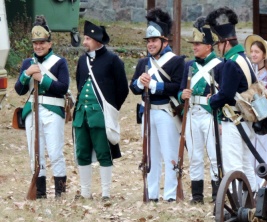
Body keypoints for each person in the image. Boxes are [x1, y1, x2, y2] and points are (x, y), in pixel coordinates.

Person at [130, 8, 185, 202]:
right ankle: (152, 194)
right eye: (149, 41)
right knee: (150, 155)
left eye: (154, 41)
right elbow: (134, 87)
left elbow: (176, 87)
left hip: (166, 111)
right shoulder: (144, 62)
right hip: (147, 111)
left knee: (169, 153)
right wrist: (139, 83)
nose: (151, 44)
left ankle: (170, 195)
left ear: (164, 42)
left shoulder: (177, 61)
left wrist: (153, 85)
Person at [73, 20, 129, 200]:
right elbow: (79, 83)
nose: (84, 42)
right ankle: (85, 192)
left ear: (97, 40)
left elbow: (122, 89)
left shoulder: (113, 60)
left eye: (87, 38)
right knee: (82, 151)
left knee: (104, 152)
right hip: (82, 113)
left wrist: (110, 109)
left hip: (100, 114)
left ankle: (105, 193)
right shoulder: (82, 60)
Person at [14, 15, 69, 198]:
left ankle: (60, 193)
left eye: (42, 43)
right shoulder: (27, 63)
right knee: (35, 153)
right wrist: (26, 75)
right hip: (32, 111)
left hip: (53, 111)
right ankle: (40, 193)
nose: (38, 46)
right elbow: (19, 90)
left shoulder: (59, 63)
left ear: (49, 43)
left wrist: (42, 79)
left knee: (55, 152)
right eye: (35, 43)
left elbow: (63, 87)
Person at [206, 7, 258, 192]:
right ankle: (252, 202)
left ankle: (240, 206)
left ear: (225, 42)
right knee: (245, 165)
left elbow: (227, 94)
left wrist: (212, 101)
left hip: (234, 120)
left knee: (234, 166)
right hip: (246, 120)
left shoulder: (231, 63)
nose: (218, 48)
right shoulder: (244, 59)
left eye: (218, 44)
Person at [177, 17, 223, 204]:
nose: (195, 47)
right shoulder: (189, 65)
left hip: (210, 114)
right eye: (194, 44)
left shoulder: (219, 65)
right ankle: (197, 196)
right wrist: (183, 95)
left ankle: (216, 194)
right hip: (192, 113)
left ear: (208, 46)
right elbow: (180, 90)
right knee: (195, 155)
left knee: (214, 155)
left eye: (198, 44)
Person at [244, 34, 267, 190]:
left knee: (265, 152)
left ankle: (265, 185)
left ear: (264, 55)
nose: (253, 55)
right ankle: (252, 186)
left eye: (257, 52)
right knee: (251, 152)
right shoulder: (248, 72)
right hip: (251, 118)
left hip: (266, 118)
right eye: (252, 51)